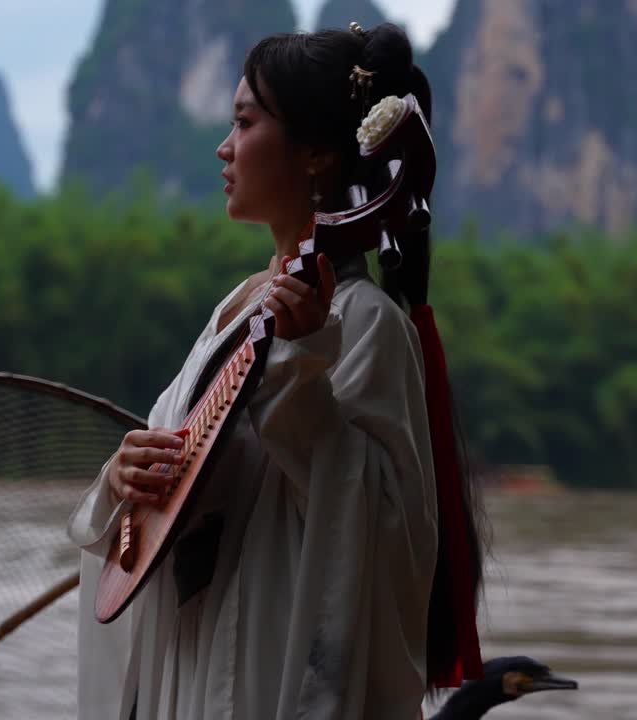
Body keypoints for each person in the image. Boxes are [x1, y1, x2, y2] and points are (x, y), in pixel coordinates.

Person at [68, 22, 481, 720]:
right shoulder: (237, 310)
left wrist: (303, 374)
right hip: (187, 666)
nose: (225, 147)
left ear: (318, 154)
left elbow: (384, 532)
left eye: (245, 123)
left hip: (263, 667)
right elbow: (166, 466)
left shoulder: (365, 322)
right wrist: (123, 476)